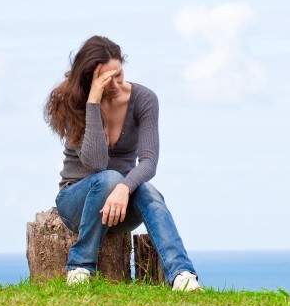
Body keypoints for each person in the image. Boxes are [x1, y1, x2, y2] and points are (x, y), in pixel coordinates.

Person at [44, 35, 200, 291]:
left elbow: (149, 162)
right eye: (106, 79)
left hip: (120, 206)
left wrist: (124, 188)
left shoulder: (144, 99)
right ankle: (80, 267)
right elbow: (95, 164)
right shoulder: (74, 102)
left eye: (119, 74)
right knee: (109, 178)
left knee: (147, 190)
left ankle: (182, 275)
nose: (116, 83)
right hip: (76, 202)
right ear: (89, 79)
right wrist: (93, 102)